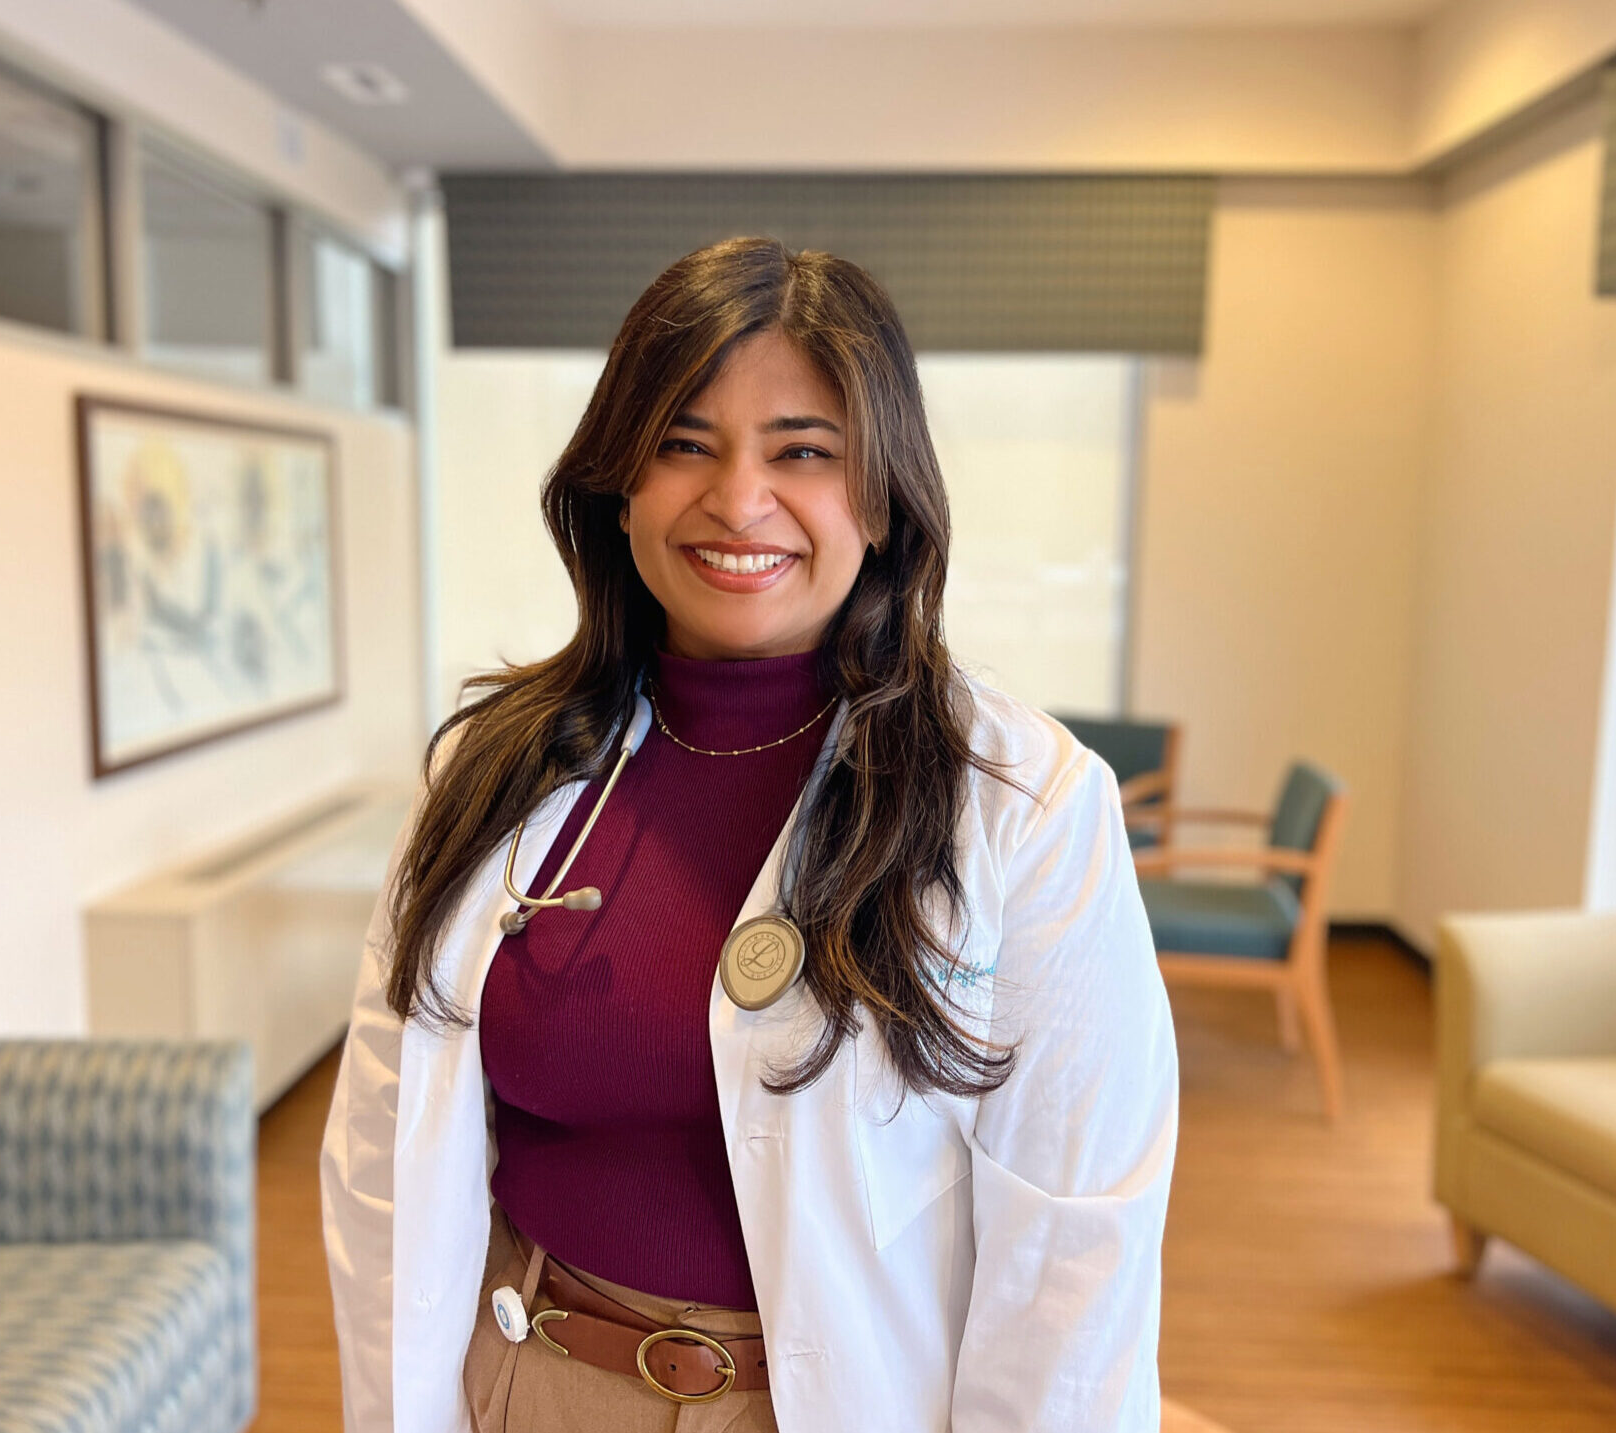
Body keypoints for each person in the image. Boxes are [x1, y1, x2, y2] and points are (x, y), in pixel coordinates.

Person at [321, 236, 1178, 1433]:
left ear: (879, 498)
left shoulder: (1020, 804)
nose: (736, 498)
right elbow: (378, 1143)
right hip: (525, 1378)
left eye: (803, 451)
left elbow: (1072, 1248)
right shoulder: (495, 767)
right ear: (619, 482)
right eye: (683, 441)